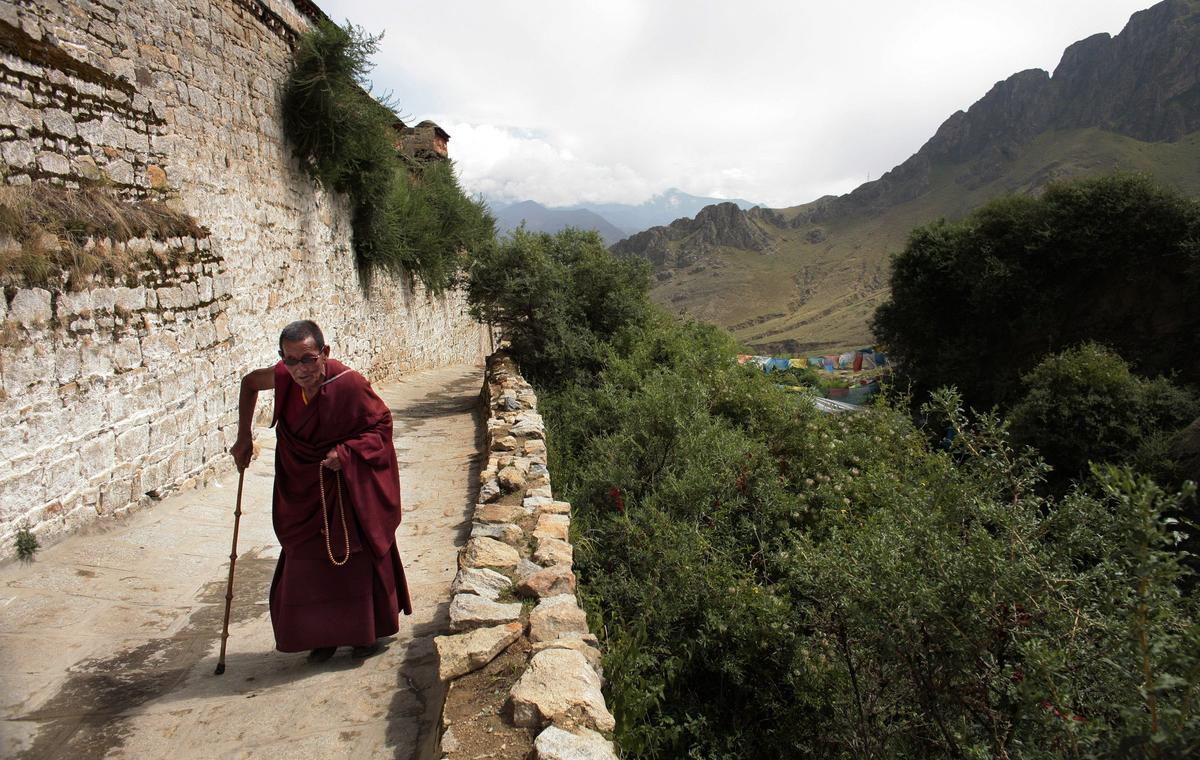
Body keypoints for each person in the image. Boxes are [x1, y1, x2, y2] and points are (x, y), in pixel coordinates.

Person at [230, 320, 412, 662]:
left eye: (308, 359)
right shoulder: (283, 377)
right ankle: (321, 637)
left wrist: (347, 454)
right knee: (306, 560)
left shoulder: (350, 384)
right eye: (290, 360)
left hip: (345, 490)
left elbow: (381, 425)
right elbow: (250, 383)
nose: (300, 369)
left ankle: (362, 633)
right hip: (301, 487)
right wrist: (244, 436)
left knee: (351, 556)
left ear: (324, 353)